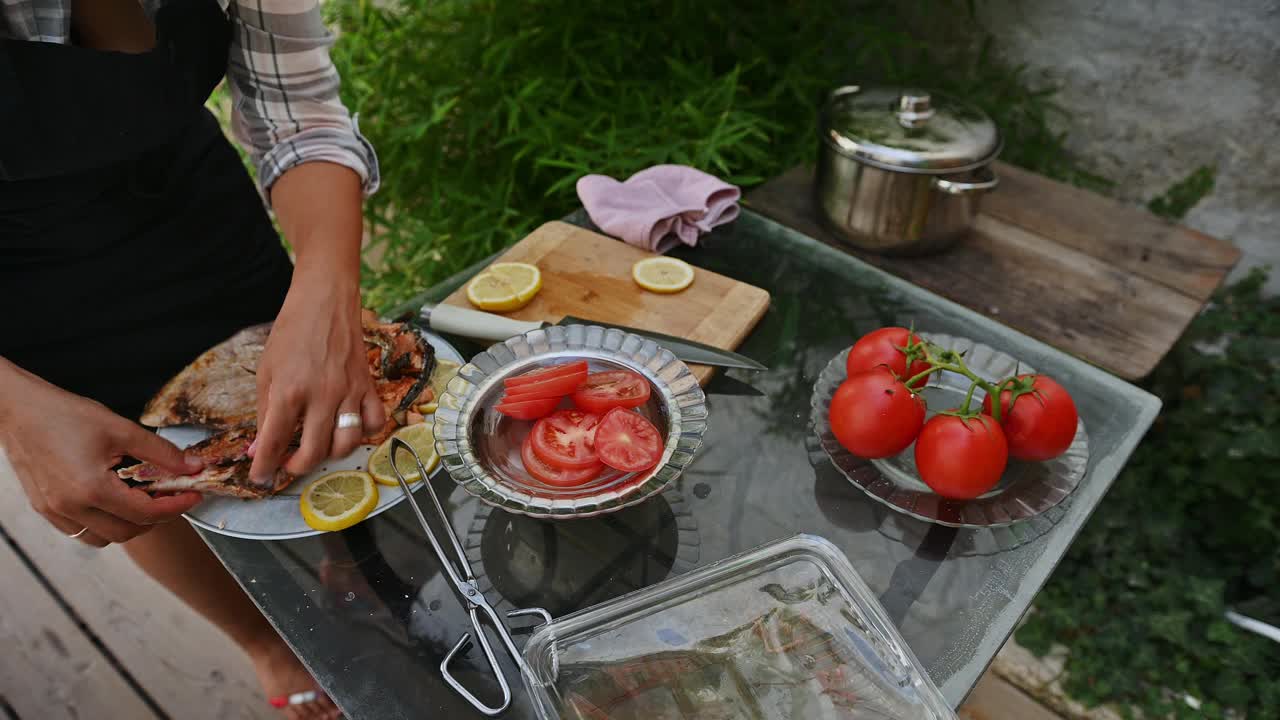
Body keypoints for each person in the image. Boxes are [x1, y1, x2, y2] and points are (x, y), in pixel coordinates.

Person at [1, 2, 383, 717]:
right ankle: (264, 642)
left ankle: (352, 563)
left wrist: (326, 283)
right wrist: (10, 406)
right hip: (16, 265)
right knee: (133, 483)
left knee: (312, 404)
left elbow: (297, 103)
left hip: (180, 181)